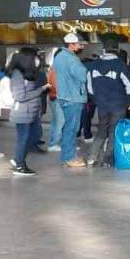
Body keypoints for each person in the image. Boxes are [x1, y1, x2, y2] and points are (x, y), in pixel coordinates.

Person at [85, 39, 130, 167]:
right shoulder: (120, 64)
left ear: (104, 50)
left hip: (102, 104)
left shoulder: (93, 65)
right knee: (114, 131)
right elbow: (129, 85)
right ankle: (108, 159)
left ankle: (91, 158)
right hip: (118, 103)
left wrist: (95, 99)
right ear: (117, 50)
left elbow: (89, 85)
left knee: (101, 130)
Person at [7, 47, 49, 176]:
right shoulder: (17, 74)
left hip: (30, 112)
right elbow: (20, 96)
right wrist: (40, 90)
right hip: (22, 112)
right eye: (35, 57)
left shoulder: (27, 73)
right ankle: (19, 165)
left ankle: (18, 160)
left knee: (33, 136)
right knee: (23, 139)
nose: (37, 59)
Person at [53, 33, 90, 168]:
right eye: (79, 44)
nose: (81, 46)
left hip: (64, 96)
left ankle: (68, 156)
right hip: (73, 97)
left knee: (68, 128)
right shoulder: (72, 59)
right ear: (71, 45)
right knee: (71, 129)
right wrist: (86, 68)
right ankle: (69, 158)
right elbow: (83, 76)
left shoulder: (59, 56)